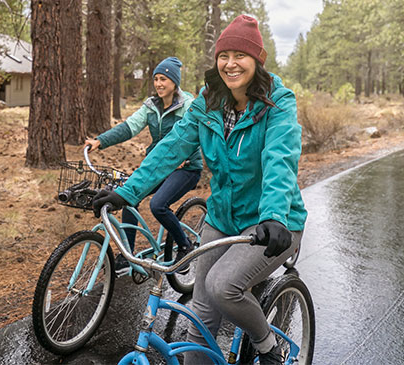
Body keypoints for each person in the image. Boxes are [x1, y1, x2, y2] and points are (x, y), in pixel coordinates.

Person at [93, 15, 307, 365]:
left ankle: (269, 346)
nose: (230, 63)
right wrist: (127, 193)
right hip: (221, 218)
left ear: (258, 61)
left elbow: (279, 161)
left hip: (275, 223)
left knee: (224, 287)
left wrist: (273, 216)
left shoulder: (278, 104)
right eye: (224, 55)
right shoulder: (207, 103)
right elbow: (171, 148)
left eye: (241, 55)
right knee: (201, 315)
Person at [85, 57, 203, 275]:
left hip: (185, 168)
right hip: (158, 166)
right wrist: (100, 141)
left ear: (175, 82)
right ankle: (127, 254)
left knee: (158, 205)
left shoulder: (188, 106)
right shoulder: (151, 106)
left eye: (164, 79)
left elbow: (194, 137)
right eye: (156, 79)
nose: (159, 84)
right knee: (130, 198)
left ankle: (185, 245)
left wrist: (187, 159)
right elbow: (129, 127)